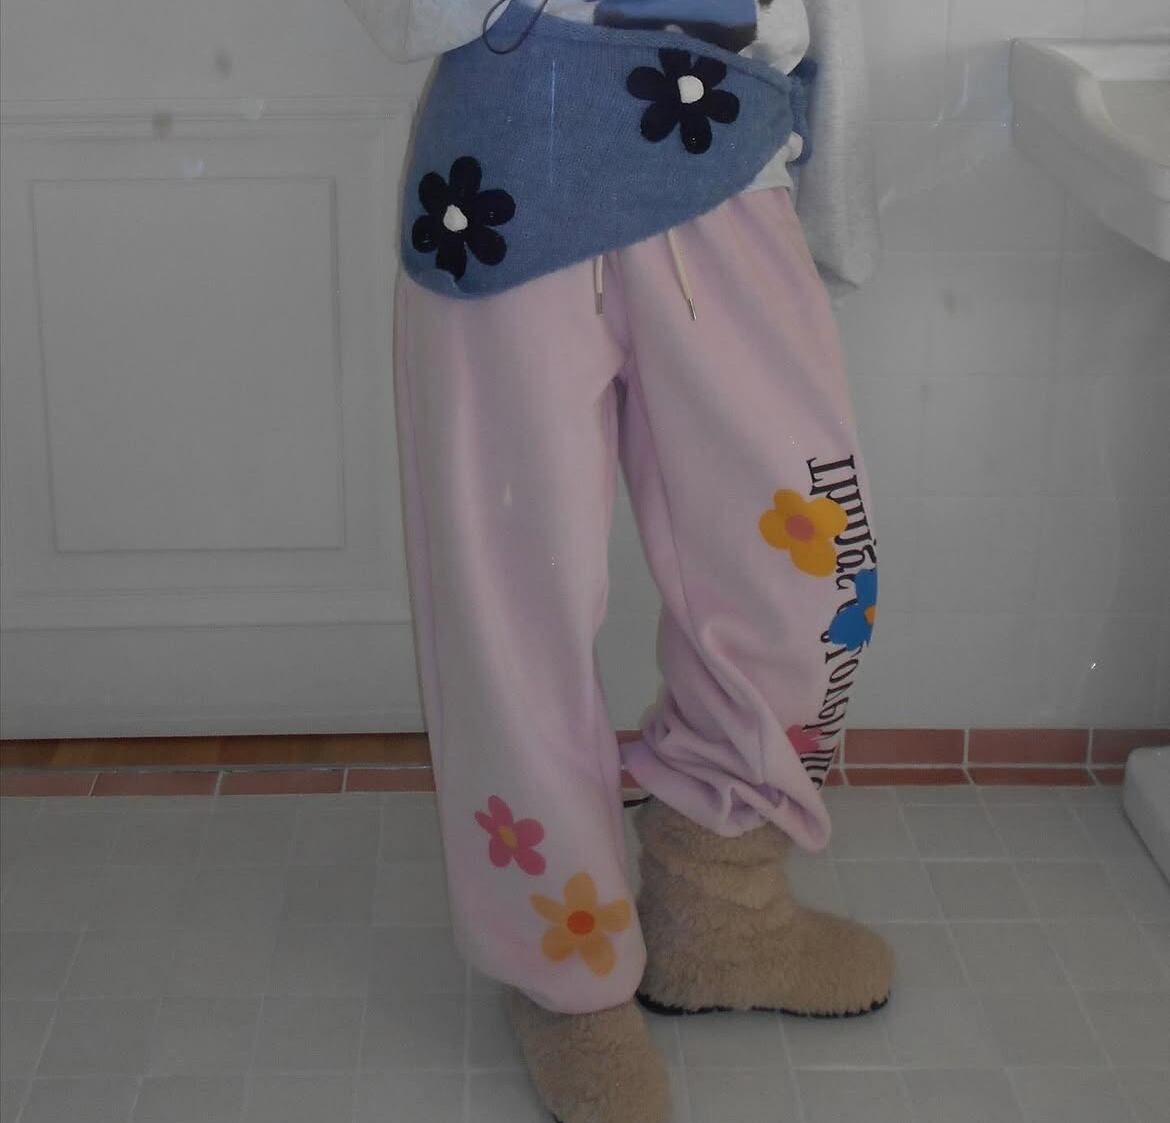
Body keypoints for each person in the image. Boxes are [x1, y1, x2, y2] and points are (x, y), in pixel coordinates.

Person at [346, 2, 893, 1119]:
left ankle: (718, 905)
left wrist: (834, 208)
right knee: (516, 612)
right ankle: (568, 969)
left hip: (732, 156)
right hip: (507, 172)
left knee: (814, 571)